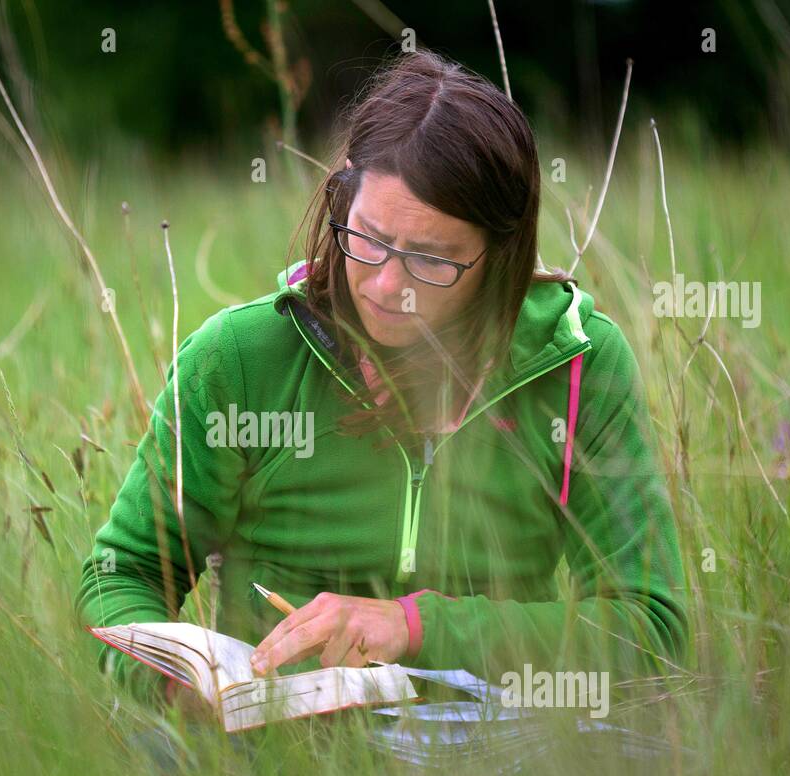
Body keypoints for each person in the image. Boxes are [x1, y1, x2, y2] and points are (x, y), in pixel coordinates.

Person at [75, 50, 688, 719]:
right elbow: (122, 576)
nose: (388, 286)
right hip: (277, 758)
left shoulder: (578, 365)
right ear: (341, 202)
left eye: (431, 259)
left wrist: (417, 627)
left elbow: (651, 629)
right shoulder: (238, 360)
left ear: (500, 255)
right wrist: (170, 691)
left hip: (509, 764)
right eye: (367, 239)